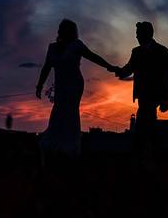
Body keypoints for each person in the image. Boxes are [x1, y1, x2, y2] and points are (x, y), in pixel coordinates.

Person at [35, 19, 119, 155]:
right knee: (57, 113)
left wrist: (110, 67)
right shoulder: (52, 47)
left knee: (70, 114)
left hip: (74, 85)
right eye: (60, 28)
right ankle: (56, 145)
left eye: (63, 29)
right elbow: (46, 67)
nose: (60, 31)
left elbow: (93, 57)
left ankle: (70, 147)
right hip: (61, 86)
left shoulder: (76, 45)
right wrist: (39, 85)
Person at [115, 21, 168, 152]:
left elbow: (166, 77)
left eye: (138, 34)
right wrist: (119, 71)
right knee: (147, 124)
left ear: (146, 34)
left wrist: (165, 100)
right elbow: (129, 68)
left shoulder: (162, 52)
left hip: (154, 95)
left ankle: (145, 153)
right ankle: (149, 152)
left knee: (144, 123)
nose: (136, 37)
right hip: (143, 95)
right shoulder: (136, 52)